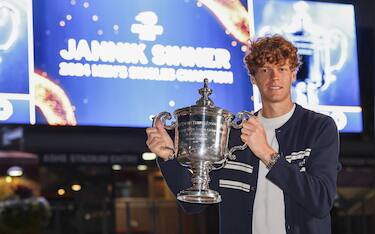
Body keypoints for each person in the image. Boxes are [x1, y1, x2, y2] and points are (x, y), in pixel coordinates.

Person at [146, 35, 340, 234]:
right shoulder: (232, 135)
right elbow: (194, 204)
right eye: (265, 69)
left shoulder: (319, 127)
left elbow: (321, 201)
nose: (274, 77)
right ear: (253, 78)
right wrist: (169, 157)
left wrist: (267, 153)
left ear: (293, 74)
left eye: (282, 69)